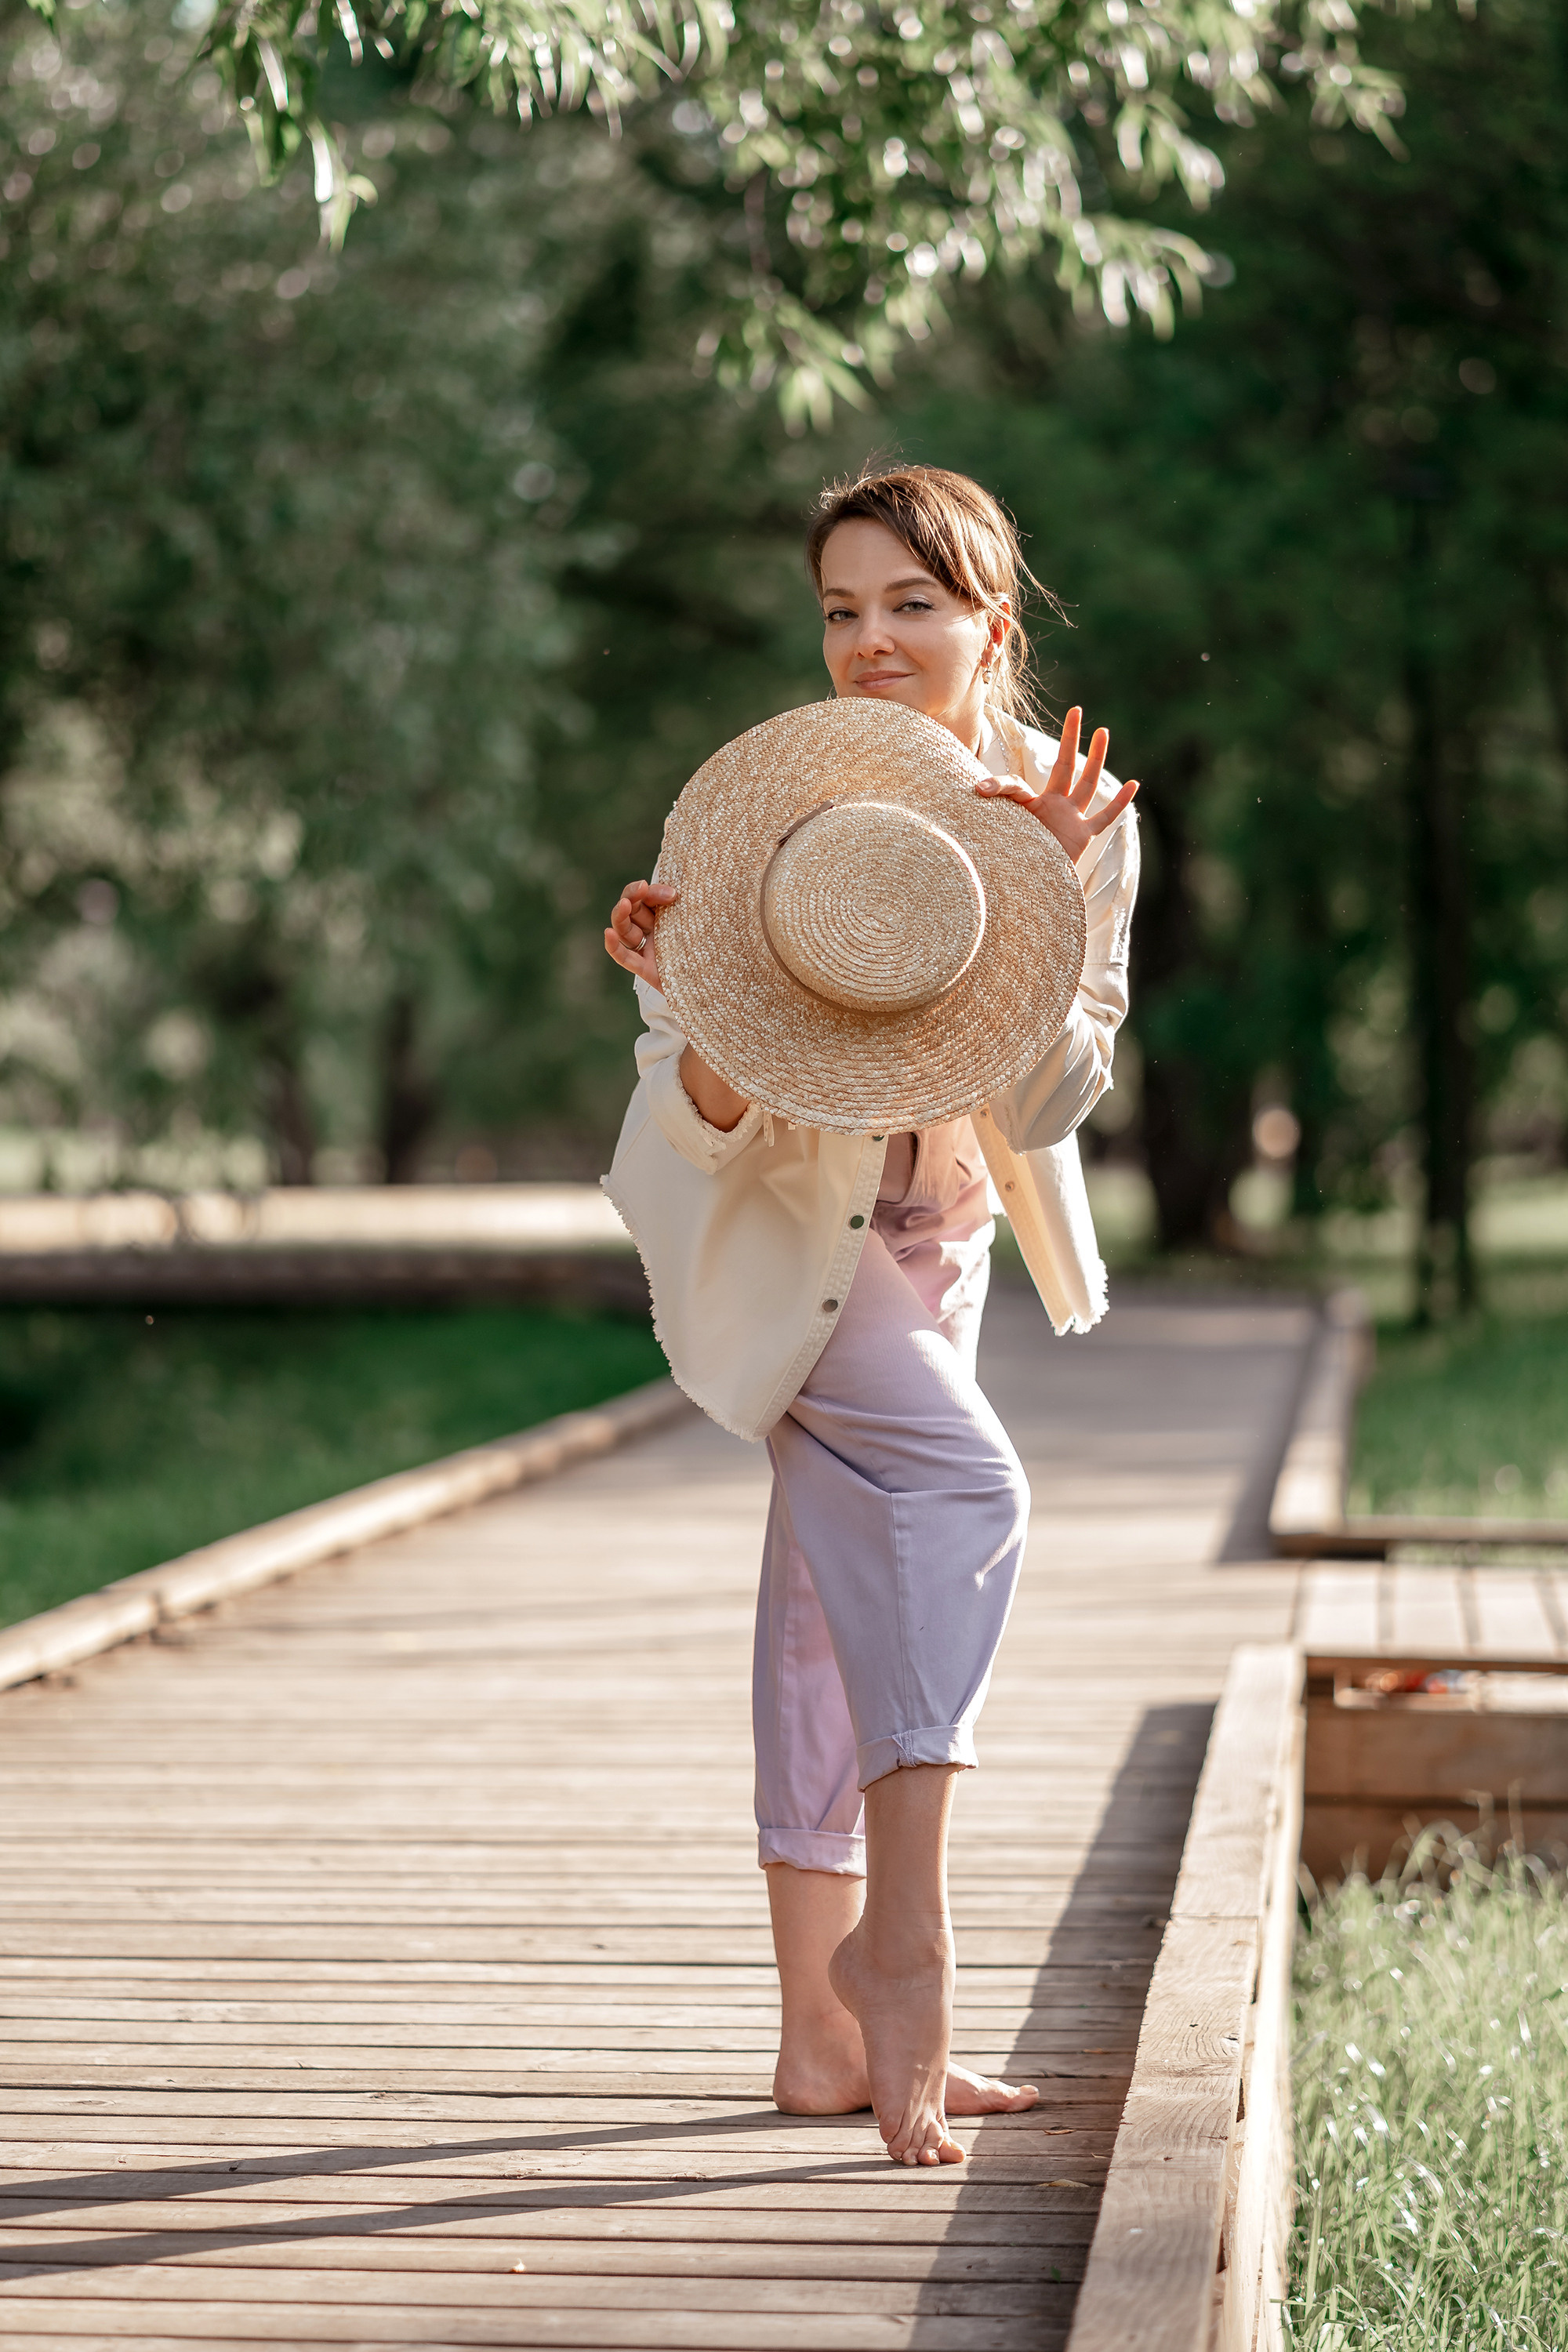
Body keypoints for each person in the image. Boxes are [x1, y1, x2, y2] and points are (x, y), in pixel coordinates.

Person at [601, 463, 1139, 2168]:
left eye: (909, 604)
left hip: (948, 1248)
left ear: (993, 621)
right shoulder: (778, 821)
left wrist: (1034, 906)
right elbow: (685, 1120)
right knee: (968, 1497)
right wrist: (687, 1005)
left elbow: (1055, 1102)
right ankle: (903, 1950)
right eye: (840, 608)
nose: (869, 640)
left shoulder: (1084, 820)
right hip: (792, 1249)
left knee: (828, 1615)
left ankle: (816, 2047)